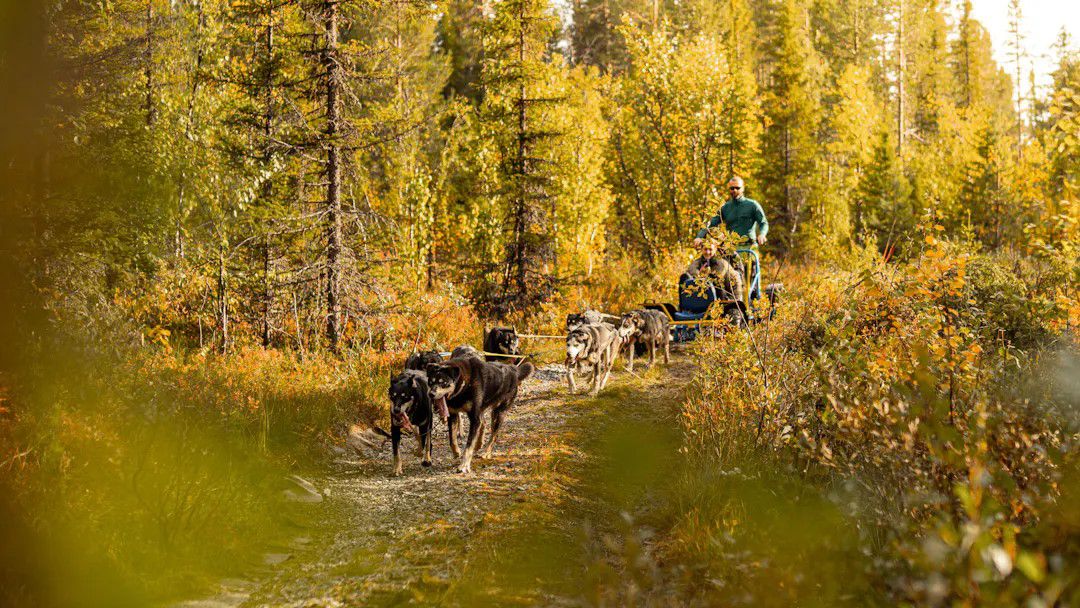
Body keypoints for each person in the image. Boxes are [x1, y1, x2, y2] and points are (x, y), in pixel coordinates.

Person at [693, 177, 768, 300]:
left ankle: (752, 302)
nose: (734, 190)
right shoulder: (726, 208)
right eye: (732, 188)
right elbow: (711, 225)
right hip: (731, 250)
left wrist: (762, 234)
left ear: (743, 189)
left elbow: (763, 222)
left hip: (748, 248)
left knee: (749, 279)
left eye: (737, 188)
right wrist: (699, 237)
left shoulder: (752, 205)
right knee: (726, 276)